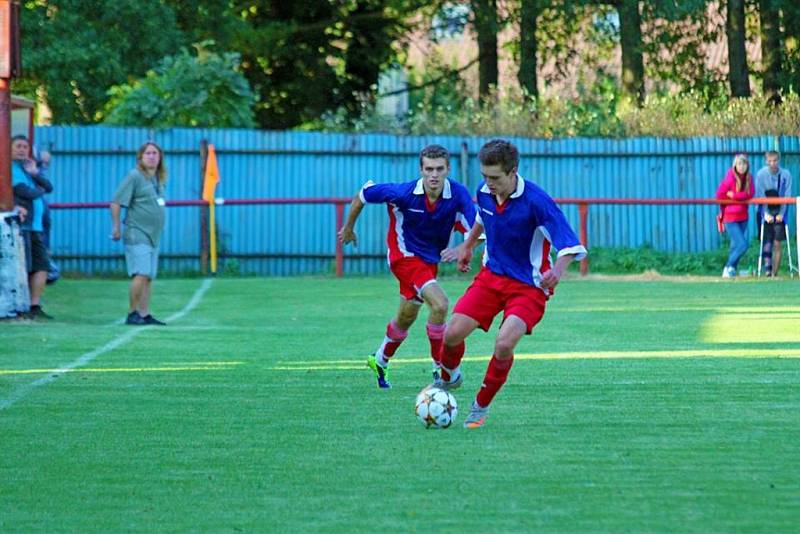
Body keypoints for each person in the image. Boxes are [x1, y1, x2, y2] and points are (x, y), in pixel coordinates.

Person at [436, 139, 587, 429]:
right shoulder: (484, 192)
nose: (488, 183)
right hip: (491, 277)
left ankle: (480, 406)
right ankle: (449, 376)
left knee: (504, 343)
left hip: (528, 287)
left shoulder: (536, 201)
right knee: (452, 334)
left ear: (513, 171)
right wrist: (467, 246)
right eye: (484, 176)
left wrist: (557, 269)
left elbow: (569, 242)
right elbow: (481, 219)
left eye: (495, 178)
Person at [338, 144, 477, 388]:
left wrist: (463, 248)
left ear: (448, 169)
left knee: (407, 315)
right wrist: (349, 227)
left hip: (429, 262)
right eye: (429, 169)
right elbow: (363, 194)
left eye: (439, 169)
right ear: (421, 170)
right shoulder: (403, 193)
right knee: (441, 304)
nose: (434, 175)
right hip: (404, 257)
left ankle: (380, 359)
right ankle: (441, 370)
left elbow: (478, 226)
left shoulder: (458, 194)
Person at [110, 141, 168, 326]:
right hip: (137, 232)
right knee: (141, 273)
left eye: (155, 153)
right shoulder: (134, 176)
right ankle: (132, 312)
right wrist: (116, 227)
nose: (152, 156)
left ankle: (144, 314)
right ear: (140, 157)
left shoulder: (158, 179)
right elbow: (116, 202)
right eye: (148, 153)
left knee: (148, 276)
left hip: (154, 235)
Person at [11, 135, 55, 319]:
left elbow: (49, 187)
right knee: (26, 267)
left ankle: (34, 305)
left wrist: (36, 173)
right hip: (23, 226)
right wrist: (39, 190)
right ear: (9, 149)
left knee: (42, 266)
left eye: (25, 146)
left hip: (37, 227)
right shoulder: (9, 169)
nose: (22, 149)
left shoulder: (27, 169)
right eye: (18, 146)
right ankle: (20, 306)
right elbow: (25, 192)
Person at [716, 153, 755, 278]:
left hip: (743, 217)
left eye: (744, 164)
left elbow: (750, 194)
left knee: (735, 246)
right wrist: (725, 208)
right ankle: (728, 266)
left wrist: (735, 195)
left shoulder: (749, 177)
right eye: (739, 164)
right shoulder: (730, 178)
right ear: (735, 165)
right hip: (731, 218)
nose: (742, 166)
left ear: (747, 165)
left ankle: (731, 271)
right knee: (743, 245)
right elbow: (720, 195)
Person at [755, 150, 793, 277]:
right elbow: (759, 196)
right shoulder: (761, 175)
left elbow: (787, 196)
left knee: (777, 243)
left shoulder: (786, 175)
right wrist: (766, 214)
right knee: (766, 241)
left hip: (780, 210)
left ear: (779, 160)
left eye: (775, 160)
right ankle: (767, 271)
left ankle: (774, 274)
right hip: (765, 210)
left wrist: (781, 214)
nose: (773, 163)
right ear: (766, 161)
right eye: (770, 161)